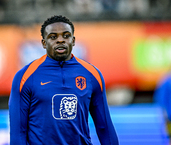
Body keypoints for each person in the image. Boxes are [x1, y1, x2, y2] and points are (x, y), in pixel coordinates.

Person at [9, 15, 119, 145]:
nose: (60, 40)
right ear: (44, 43)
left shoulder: (92, 75)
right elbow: (18, 132)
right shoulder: (25, 77)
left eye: (66, 36)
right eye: (53, 37)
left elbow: (104, 127)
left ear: (73, 40)